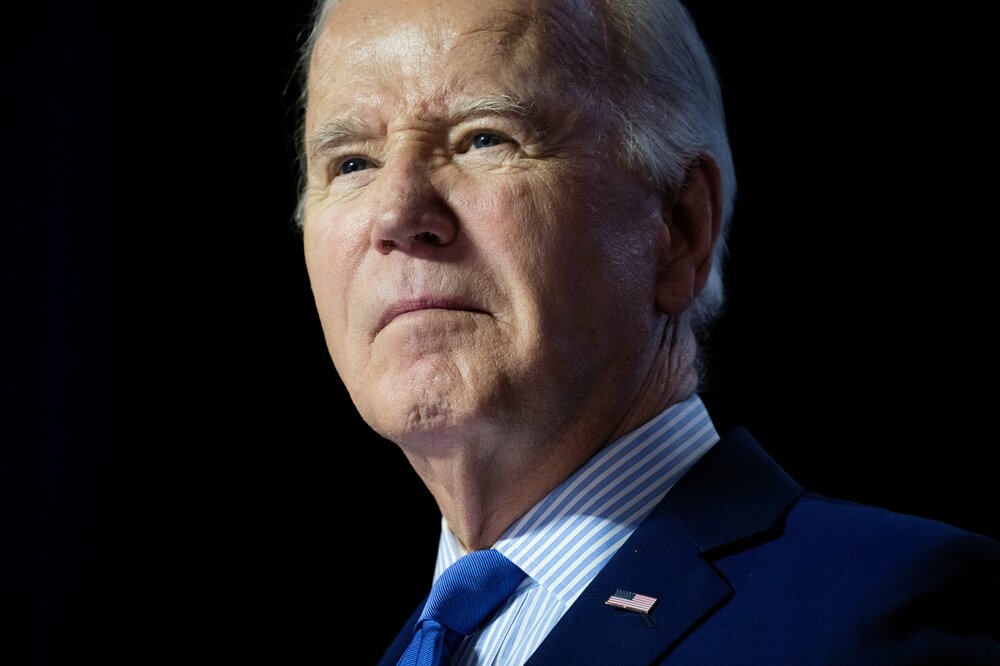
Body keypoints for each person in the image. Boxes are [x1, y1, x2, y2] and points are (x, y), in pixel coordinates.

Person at [295, 0, 1000, 663]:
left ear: (679, 229)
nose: (396, 214)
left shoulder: (881, 612)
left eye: (484, 139)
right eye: (351, 162)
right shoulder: (426, 645)